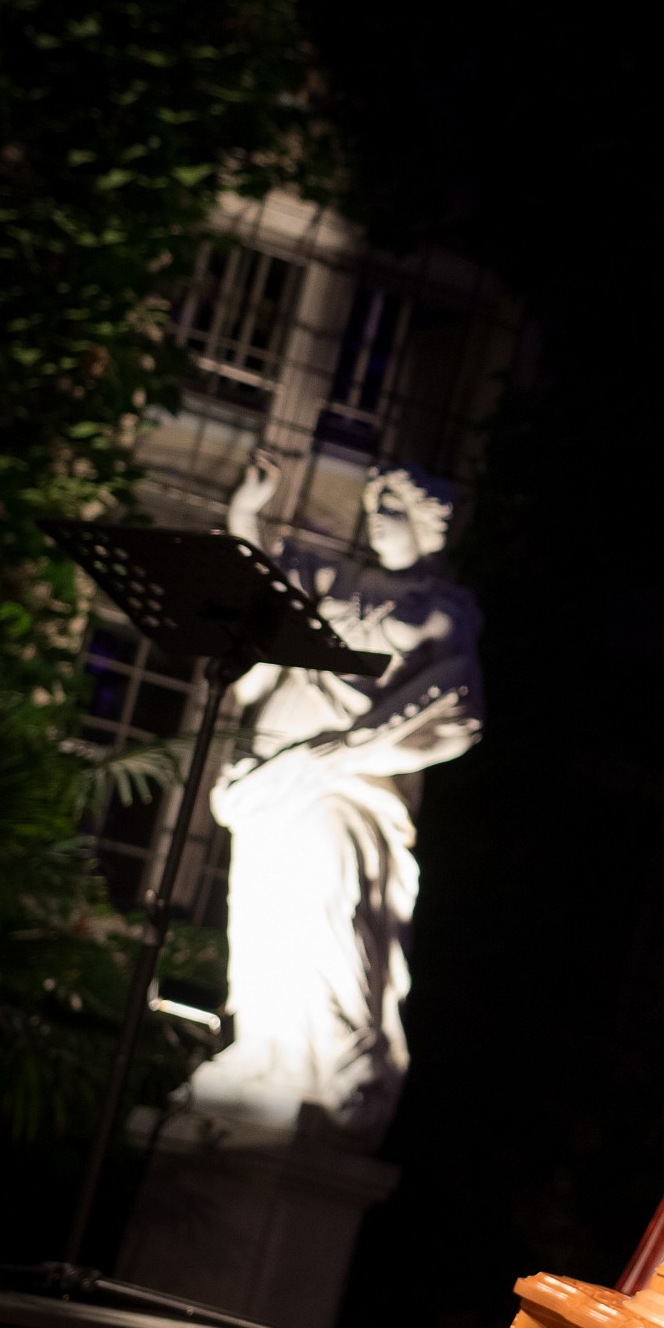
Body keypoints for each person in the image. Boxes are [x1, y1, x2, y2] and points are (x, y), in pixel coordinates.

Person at [181, 454, 483, 1148]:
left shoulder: (443, 609)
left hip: (347, 784)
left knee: (327, 910)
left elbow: (461, 709)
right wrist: (246, 513)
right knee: (261, 911)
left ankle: (334, 1059)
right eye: (374, 509)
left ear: (429, 524)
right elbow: (258, 592)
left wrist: (351, 748)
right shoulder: (332, 577)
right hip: (277, 768)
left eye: (392, 510)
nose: (376, 522)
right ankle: (264, 1047)